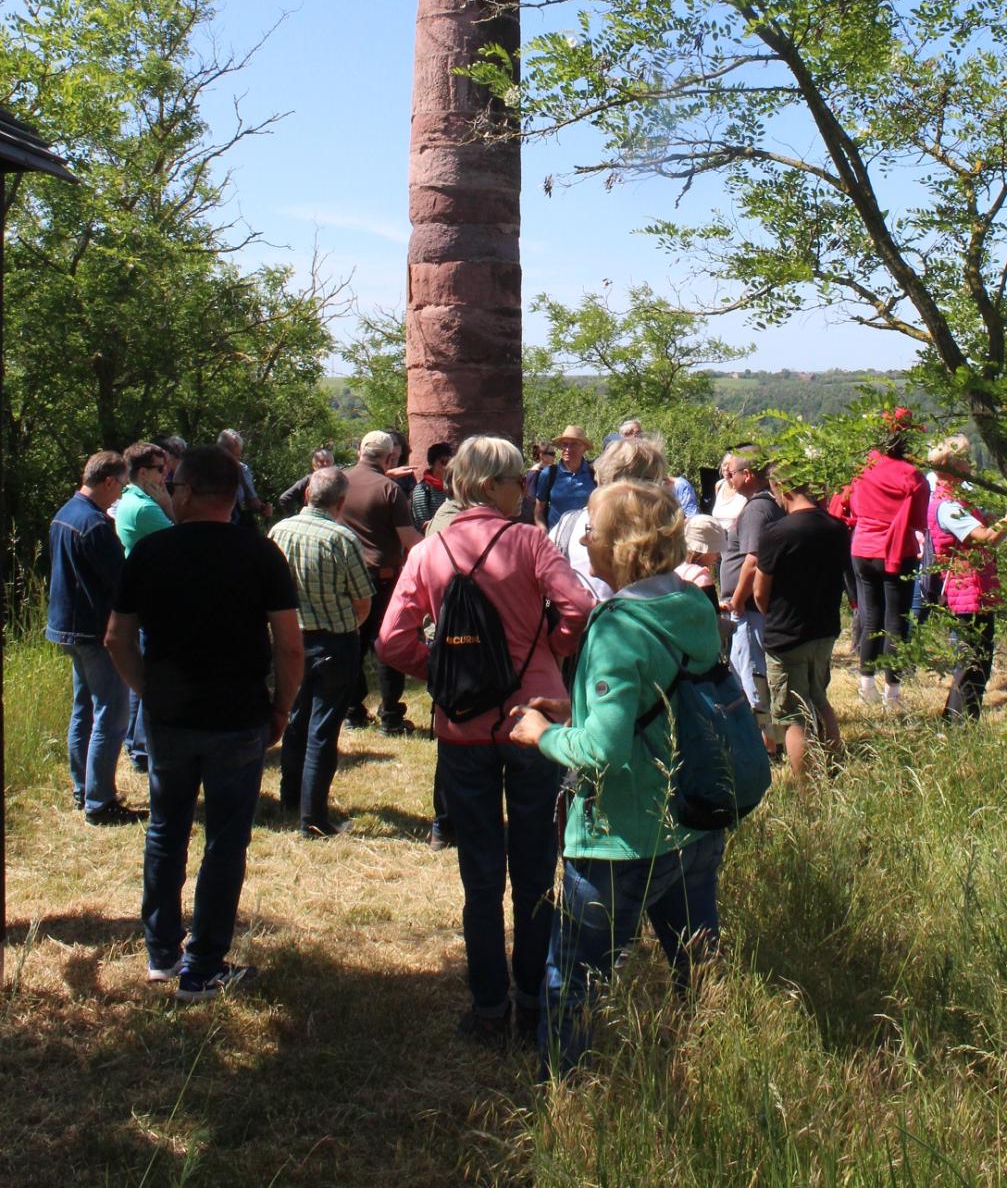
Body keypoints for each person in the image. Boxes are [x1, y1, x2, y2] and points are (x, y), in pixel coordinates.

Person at [377, 435, 593, 1042]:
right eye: (517, 481)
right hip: (534, 720)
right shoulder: (527, 542)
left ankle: (488, 1007)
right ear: (490, 485)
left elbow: (392, 643)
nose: (525, 490)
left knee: (479, 875)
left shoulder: (430, 549)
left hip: (462, 728)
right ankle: (532, 999)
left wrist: (440, 673)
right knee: (533, 868)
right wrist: (553, 648)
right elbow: (576, 604)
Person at [511, 478, 726, 1073]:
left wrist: (544, 734)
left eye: (593, 530)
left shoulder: (614, 626)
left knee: (576, 978)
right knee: (699, 965)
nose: (583, 537)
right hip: (690, 818)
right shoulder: (692, 607)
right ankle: (718, 1065)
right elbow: (656, 702)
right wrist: (577, 712)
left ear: (623, 544)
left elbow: (602, 751)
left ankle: (568, 1092)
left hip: (619, 838)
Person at [105, 444, 303, 998]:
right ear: (234, 495)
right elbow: (289, 646)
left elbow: (116, 638)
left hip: (169, 716)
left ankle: (162, 953)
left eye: (172, 487)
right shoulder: (261, 553)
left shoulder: (150, 553)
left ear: (187, 491)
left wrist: (147, 689)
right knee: (225, 841)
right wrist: (282, 707)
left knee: (165, 831)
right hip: (238, 718)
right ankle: (204, 964)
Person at [269, 466, 375, 834]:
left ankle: (290, 798)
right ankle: (312, 817)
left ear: (306, 495)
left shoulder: (278, 531)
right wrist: (347, 626)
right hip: (334, 640)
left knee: (295, 719)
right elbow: (363, 600)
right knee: (323, 729)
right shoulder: (342, 538)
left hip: (289, 639)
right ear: (341, 502)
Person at [45, 451, 140, 825]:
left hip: (67, 628)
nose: (119, 496)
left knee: (84, 709)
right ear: (108, 483)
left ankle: (83, 789)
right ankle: (100, 803)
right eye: (121, 486)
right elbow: (121, 581)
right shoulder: (95, 526)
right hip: (94, 631)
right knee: (111, 713)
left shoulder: (65, 514)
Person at [754, 473, 849, 778]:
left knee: (794, 716)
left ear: (782, 487)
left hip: (786, 635)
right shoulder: (836, 527)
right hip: (824, 628)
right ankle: (834, 773)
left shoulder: (776, 533)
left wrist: (773, 615)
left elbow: (759, 591)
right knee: (820, 699)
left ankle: (805, 790)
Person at [926, 436, 1007, 723]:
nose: (971, 464)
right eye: (965, 459)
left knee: (975, 661)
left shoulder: (955, 500)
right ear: (953, 467)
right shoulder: (948, 506)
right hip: (967, 591)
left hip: (972, 590)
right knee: (973, 663)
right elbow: (986, 539)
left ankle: (955, 722)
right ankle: (959, 725)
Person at [340, 430, 423, 734]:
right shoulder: (389, 489)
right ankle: (390, 716)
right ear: (390, 457)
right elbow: (409, 539)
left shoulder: (339, 482)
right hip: (382, 580)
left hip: (347, 578)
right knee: (388, 645)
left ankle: (352, 712)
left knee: (352, 645)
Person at [848, 408, 930, 709]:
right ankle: (892, 694)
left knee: (871, 617)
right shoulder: (913, 475)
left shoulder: (864, 467)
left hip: (862, 550)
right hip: (897, 552)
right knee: (895, 621)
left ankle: (865, 686)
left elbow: (854, 508)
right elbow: (920, 521)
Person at [116, 442, 176, 773]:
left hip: (139, 595)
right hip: (152, 598)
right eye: (159, 469)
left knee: (141, 674)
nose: (165, 473)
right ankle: (142, 749)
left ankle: (134, 743)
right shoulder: (146, 509)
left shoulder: (129, 500)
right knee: (151, 674)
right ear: (143, 473)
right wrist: (169, 503)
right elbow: (184, 542)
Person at [552, 433, 670, 601]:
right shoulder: (667, 530)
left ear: (600, 477)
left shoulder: (569, 524)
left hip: (585, 622)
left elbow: (548, 580)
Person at [720, 451, 780, 750]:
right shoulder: (760, 505)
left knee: (751, 675)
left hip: (749, 610)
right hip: (751, 608)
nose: (727, 478)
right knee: (748, 671)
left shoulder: (756, 509)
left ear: (748, 475)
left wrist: (739, 599)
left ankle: (766, 744)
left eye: (731, 472)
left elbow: (753, 561)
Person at [534, 427, 595, 531]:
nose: (567, 449)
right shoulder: (549, 474)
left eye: (573, 444)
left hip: (585, 541)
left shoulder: (594, 474)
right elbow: (538, 511)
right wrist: (544, 534)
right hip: (555, 541)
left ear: (584, 448)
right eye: (565, 444)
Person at [218, 429, 271, 528]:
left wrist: (263, 508)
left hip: (235, 526)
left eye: (237, 455)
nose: (235, 459)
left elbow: (251, 499)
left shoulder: (242, 470)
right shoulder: (206, 469)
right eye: (231, 454)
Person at [276, 448, 335, 518]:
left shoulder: (337, 482)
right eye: (321, 461)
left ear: (332, 464)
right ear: (314, 465)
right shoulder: (308, 480)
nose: (325, 464)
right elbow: (285, 498)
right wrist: (293, 518)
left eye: (328, 461)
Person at [411, 441, 454, 531]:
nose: (447, 466)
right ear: (432, 464)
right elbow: (422, 523)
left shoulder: (455, 487)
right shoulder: (423, 489)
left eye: (450, 462)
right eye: (443, 462)